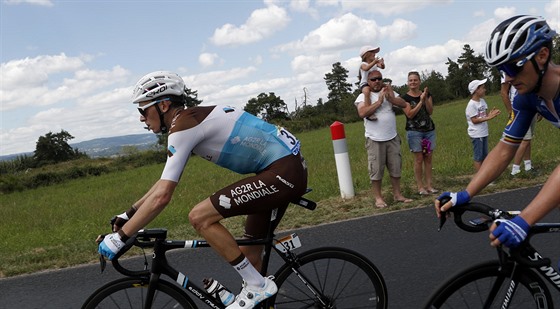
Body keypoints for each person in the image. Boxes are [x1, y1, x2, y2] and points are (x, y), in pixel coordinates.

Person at [98, 71, 308, 309]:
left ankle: (257, 286)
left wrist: (121, 238)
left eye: (143, 110)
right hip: (284, 169)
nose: (141, 118)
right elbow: (163, 183)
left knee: (200, 217)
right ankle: (256, 289)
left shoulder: (184, 126)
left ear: (163, 105)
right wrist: (129, 215)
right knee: (249, 255)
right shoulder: (188, 121)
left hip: (282, 172)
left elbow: (163, 197)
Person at [435, 15, 559, 250]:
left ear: (542, 56)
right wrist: (465, 193)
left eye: (514, 66)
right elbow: (504, 150)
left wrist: (524, 220)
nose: (509, 78)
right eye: (502, 70)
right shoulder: (527, 99)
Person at [354, 69, 412, 208]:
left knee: (395, 167)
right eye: (373, 79)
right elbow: (362, 112)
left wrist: (390, 98)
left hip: (392, 137)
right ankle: (378, 198)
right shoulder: (363, 96)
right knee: (376, 170)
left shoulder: (389, 91)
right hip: (375, 139)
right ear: (368, 81)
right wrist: (379, 102)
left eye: (379, 78)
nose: (377, 81)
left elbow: (403, 103)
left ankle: (397, 194)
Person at [401, 71, 438, 195]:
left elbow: (430, 111)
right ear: (407, 82)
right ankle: (420, 187)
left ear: (419, 81)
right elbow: (410, 114)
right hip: (414, 132)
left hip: (428, 131)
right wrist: (420, 101)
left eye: (415, 80)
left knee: (428, 157)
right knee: (418, 159)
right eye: (410, 80)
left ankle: (429, 186)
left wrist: (425, 98)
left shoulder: (427, 94)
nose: (413, 82)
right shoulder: (405, 98)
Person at [500, 71, 538, 175]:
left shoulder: (525, 66)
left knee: (528, 139)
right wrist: (510, 111)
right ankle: (515, 170)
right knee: (525, 140)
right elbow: (504, 92)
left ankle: (528, 166)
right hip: (519, 109)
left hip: (531, 105)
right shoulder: (506, 70)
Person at [465, 78, 501, 171]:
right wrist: (488, 117)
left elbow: (483, 116)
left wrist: (490, 114)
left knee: (485, 155)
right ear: (476, 90)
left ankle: (485, 176)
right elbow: (474, 120)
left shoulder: (482, 101)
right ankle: (479, 178)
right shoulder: (471, 105)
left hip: (484, 132)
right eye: (482, 88)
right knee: (478, 156)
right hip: (477, 134)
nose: (485, 90)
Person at [358, 45, 385, 120]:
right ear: (366, 55)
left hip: (374, 82)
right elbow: (366, 68)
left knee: (387, 86)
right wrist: (374, 62)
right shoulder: (363, 64)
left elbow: (382, 67)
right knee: (366, 92)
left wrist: (382, 64)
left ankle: (391, 102)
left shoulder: (374, 63)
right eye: (372, 52)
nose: (374, 54)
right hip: (365, 83)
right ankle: (369, 113)